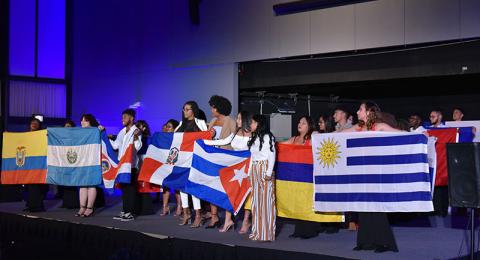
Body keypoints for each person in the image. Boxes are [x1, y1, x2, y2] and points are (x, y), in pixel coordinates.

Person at [341, 101, 401, 253]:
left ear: (368, 112)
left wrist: (422, 135)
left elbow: (400, 134)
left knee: (377, 208)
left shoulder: (379, 126)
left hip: (375, 174)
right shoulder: (358, 127)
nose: (357, 112)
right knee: (363, 207)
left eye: (360, 109)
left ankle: (384, 243)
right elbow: (338, 136)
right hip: (361, 174)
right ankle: (365, 242)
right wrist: (317, 139)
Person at [204, 111, 253, 233]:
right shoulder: (236, 131)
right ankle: (228, 220)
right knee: (229, 193)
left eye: (240, 119)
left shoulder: (253, 134)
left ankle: (246, 221)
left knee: (247, 197)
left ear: (246, 120)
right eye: (237, 119)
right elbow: (223, 141)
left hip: (247, 169)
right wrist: (205, 142)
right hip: (234, 168)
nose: (237, 121)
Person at [204, 95, 237, 229]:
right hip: (212, 158)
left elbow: (234, 140)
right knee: (212, 188)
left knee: (225, 189)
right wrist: (208, 135)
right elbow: (206, 137)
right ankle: (214, 216)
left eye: (213, 107)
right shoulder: (212, 121)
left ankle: (229, 218)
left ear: (219, 107)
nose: (212, 110)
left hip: (225, 159)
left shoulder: (230, 121)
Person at [175, 101, 208, 228]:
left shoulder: (200, 123)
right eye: (184, 109)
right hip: (182, 160)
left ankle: (198, 215)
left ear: (193, 110)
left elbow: (205, 139)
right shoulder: (180, 124)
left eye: (188, 109)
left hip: (195, 160)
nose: (185, 111)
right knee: (182, 187)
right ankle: (186, 213)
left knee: (193, 188)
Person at [106, 109, 142, 221]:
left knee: (130, 190)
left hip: (131, 166)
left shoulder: (136, 130)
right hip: (122, 166)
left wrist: (136, 136)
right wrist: (105, 138)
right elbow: (116, 146)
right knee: (124, 189)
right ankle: (125, 211)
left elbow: (137, 147)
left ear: (131, 118)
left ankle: (129, 212)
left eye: (125, 117)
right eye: (122, 117)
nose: (123, 119)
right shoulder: (122, 131)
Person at [247, 114, 276, 241]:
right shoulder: (254, 137)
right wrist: (249, 172)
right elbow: (252, 157)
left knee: (267, 202)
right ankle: (257, 232)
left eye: (253, 122)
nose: (251, 125)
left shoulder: (268, 136)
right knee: (256, 202)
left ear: (259, 123)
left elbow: (271, 154)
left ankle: (267, 234)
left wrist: (269, 172)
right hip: (254, 168)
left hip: (264, 168)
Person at [75, 114, 104, 217]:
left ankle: (90, 208)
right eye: (82, 120)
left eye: (85, 120)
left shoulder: (96, 130)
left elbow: (104, 141)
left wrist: (101, 130)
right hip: (82, 161)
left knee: (91, 184)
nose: (83, 122)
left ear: (91, 122)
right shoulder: (78, 133)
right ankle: (82, 207)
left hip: (93, 161)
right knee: (82, 185)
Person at [159, 119, 183, 216]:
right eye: (166, 126)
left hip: (176, 164)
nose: (166, 128)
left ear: (175, 129)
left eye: (169, 127)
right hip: (165, 165)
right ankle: (165, 207)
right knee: (165, 185)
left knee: (177, 186)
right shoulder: (163, 138)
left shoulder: (179, 138)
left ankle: (179, 207)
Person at [23, 117, 47, 212]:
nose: (34, 124)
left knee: (38, 186)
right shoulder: (25, 135)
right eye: (32, 123)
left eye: (36, 123)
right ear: (29, 125)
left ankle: (38, 206)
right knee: (28, 186)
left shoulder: (42, 135)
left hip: (39, 164)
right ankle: (29, 204)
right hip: (27, 163)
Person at [135, 120, 155, 215]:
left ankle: (146, 208)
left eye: (141, 126)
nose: (139, 128)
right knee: (136, 183)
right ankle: (137, 206)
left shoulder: (149, 138)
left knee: (144, 184)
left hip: (145, 159)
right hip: (135, 159)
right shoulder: (133, 136)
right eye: (137, 126)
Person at [59, 120, 80, 209]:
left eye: (69, 126)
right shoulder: (61, 137)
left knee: (73, 182)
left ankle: (74, 203)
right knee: (65, 182)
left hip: (73, 160)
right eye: (66, 126)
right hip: (63, 161)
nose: (67, 128)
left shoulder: (76, 137)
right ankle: (66, 202)